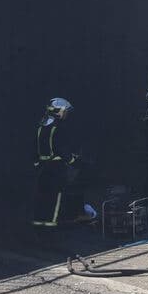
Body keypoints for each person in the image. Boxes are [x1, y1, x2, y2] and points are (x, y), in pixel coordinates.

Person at [32, 97, 90, 227]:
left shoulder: (40, 127)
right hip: (56, 168)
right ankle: (50, 227)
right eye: (65, 111)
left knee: (41, 196)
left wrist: (37, 164)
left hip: (42, 168)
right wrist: (76, 162)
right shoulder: (58, 128)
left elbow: (34, 149)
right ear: (58, 111)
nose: (66, 114)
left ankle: (38, 224)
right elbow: (62, 150)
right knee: (54, 198)